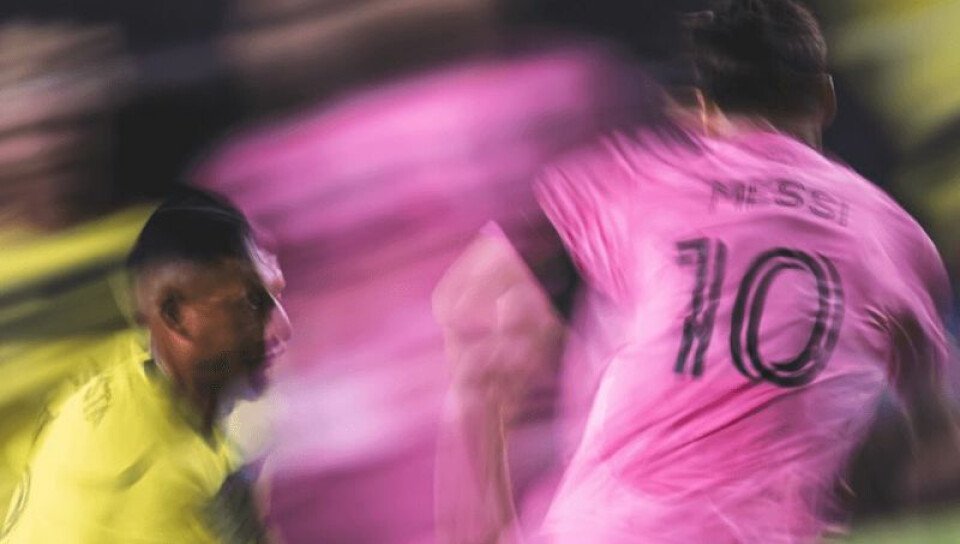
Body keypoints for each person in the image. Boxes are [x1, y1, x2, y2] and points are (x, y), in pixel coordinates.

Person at [433, 0, 958, 542]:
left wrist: (483, 519)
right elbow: (933, 430)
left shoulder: (628, 181)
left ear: (704, 109)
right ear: (825, 100)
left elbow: (465, 306)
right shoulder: (891, 234)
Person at [0, 188, 291, 543]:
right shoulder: (154, 494)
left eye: (276, 294)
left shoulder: (126, 366)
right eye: (251, 304)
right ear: (176, 316)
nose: (283, 330)